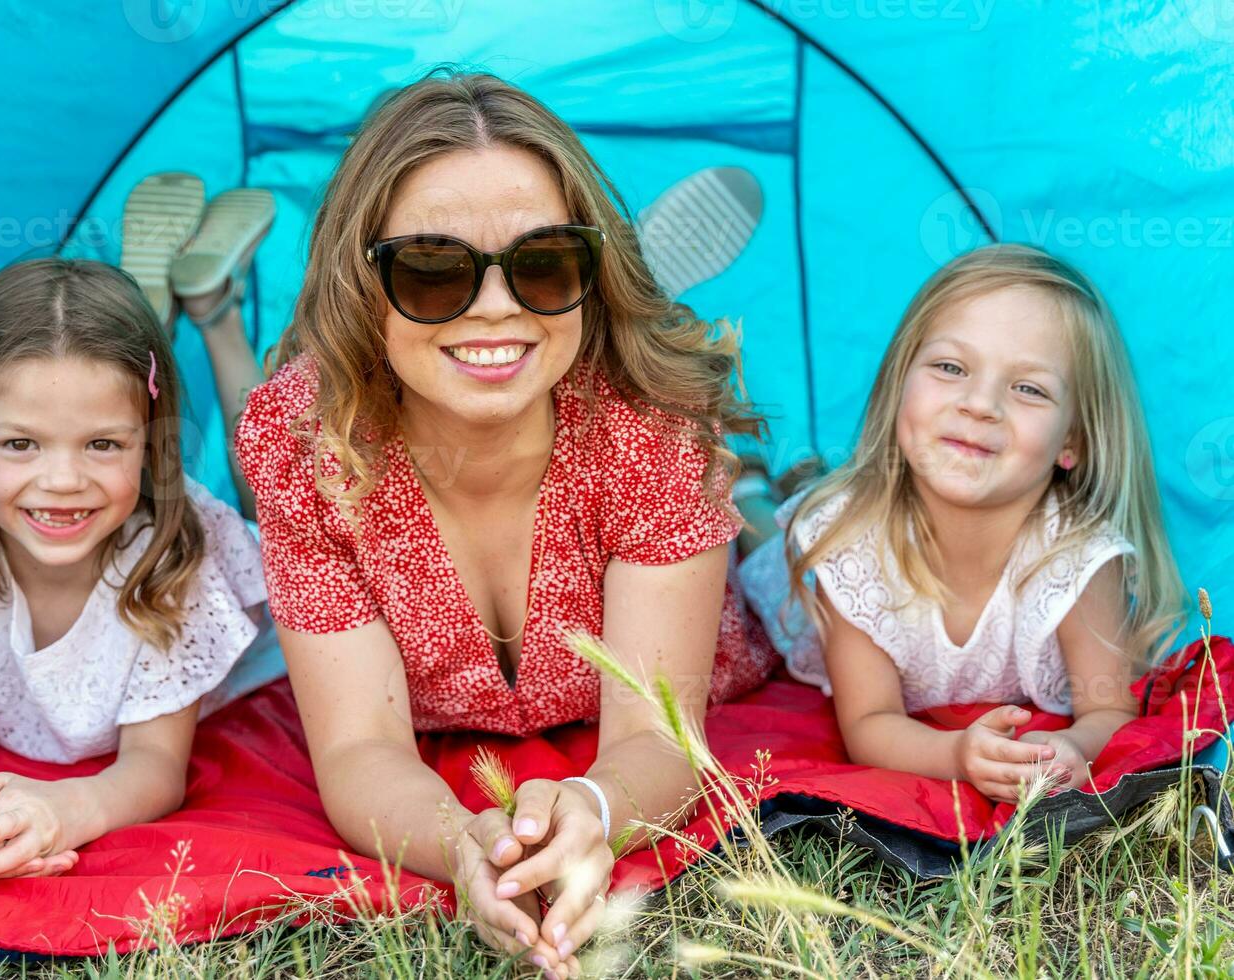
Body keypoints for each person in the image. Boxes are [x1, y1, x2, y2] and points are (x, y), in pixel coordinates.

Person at [222, 70, 779, 978]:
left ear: (588, 275)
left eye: (544, 262)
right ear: (359, 283)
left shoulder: (652, 429)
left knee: (775, 550)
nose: (494, 306)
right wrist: (464, 846)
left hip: (684, 532)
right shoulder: (303, 447)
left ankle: (757, 501)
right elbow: (361, 747)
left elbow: (655, 737)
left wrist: (595, 813)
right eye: (433, 269)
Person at [0, 258, 270, 887]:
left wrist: (68, 811)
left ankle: (216, 313)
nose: (63, 483)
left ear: (148, 442)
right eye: (20, 444)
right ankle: (155, 309)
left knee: (280, 493)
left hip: (252, 605)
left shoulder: (177, 548)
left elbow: (153, 766)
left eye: (103, 444)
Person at [739, 244, 1188, 804]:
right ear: (901, 384)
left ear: (1071, 442)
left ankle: (789, 480)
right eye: (951, 368)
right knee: (763, 549)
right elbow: (870, 722)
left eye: (1028, 388)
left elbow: (1109, 710)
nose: (979, 404)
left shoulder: (1078, 559)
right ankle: (752, 487)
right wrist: (956, 755)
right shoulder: (846, 547)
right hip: (833, 558)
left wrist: (1073, 748)